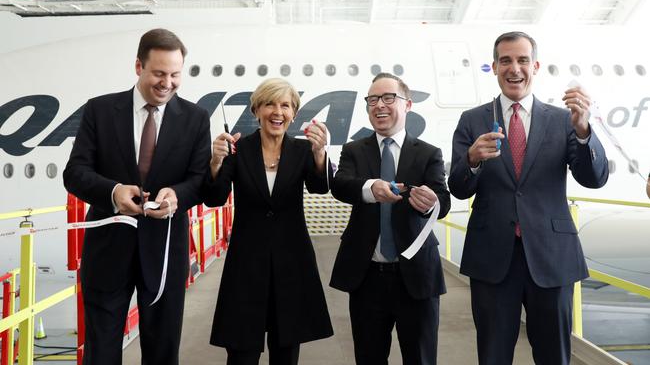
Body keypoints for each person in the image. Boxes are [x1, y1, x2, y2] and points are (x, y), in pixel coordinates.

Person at [448, 31, 609, 365]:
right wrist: (472, 160)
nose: (514, 68)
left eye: (522, 60)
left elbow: (594, 179)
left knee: (554, 357)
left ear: (535, 66)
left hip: (552, 259)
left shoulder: (564, 119)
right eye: (505, 60)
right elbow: (458, 188)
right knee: (493, 356)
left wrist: (583, 132)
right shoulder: (472, 120)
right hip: (493, 260)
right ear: (493, 67)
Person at [63, 28, 211, 365]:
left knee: (162, 351)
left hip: (164, 252)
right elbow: (75, 173)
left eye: (175, 74)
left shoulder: (196, 119)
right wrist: (113, 192)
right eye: (159, 73)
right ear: (138, 67)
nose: (167, 82)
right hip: (107, 251)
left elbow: (200, 181)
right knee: (101, 352)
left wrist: (177, 196)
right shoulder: (100, 111)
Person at [202, 78, 333, 365]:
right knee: (241, 354)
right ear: (257, 110)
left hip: (292, 264)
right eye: (270, 104)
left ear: (294, 113)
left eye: (285, 105)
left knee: (286, 351)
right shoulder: (237, 150)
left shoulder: (302, 151)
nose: (278, 111)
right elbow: (214, 198)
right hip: (246, 265)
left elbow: (320, 187)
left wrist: (320, 154)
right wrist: (215, 163)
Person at [329, 72, 450, 365]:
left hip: (417, 277)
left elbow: (442, 201)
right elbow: (341, 185)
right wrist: (371, 188)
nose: (379, 105)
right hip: (367, 276)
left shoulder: (428, 154)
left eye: (388, 98)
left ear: (407, 105)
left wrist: (429, 203)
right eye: (372, 100)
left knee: (420, 358)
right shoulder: (354, 150)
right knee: (369, 358)